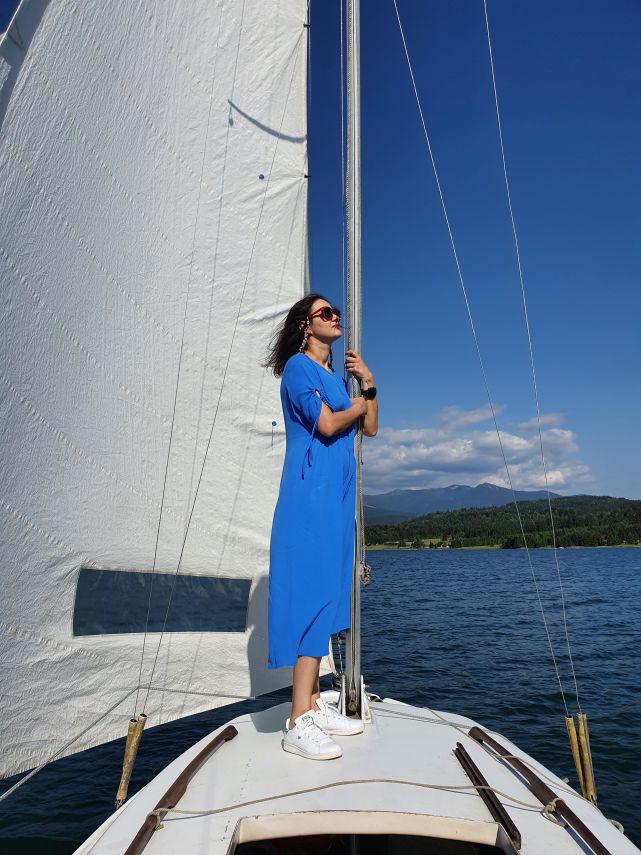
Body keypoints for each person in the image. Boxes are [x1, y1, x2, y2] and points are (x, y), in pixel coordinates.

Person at [263, 293, 378, 760]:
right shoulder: (299, 369)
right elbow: (328, 424)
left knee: (328, 594)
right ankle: (298, 720)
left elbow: (370, 428)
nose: (335, 318)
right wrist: (358, 405)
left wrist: (368, 384)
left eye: (336, 313)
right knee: (311, 595)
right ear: (305, 326)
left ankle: (311, 704)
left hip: (336, 502)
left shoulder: (336, 378)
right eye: (326, 313)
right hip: (309, 499)